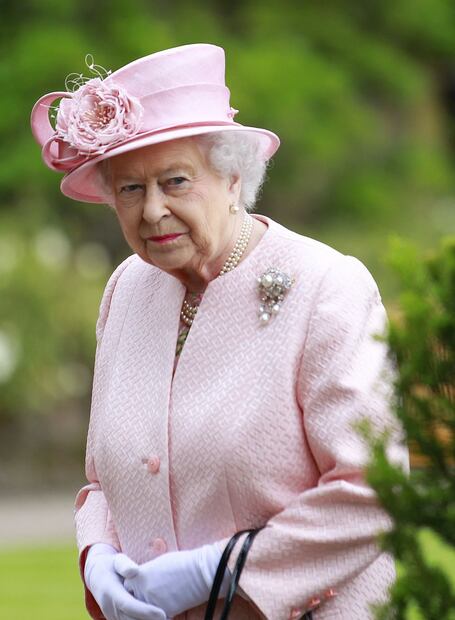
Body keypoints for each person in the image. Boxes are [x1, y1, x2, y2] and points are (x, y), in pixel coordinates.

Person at [31, 43, 409, 620]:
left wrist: (220, 571)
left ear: (233, 177)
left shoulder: (328, 286)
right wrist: (97, 555)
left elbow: (372, 491)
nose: (152, 210)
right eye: (130, 189)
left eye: (175, 181)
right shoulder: (127, 288)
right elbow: (102, 481)